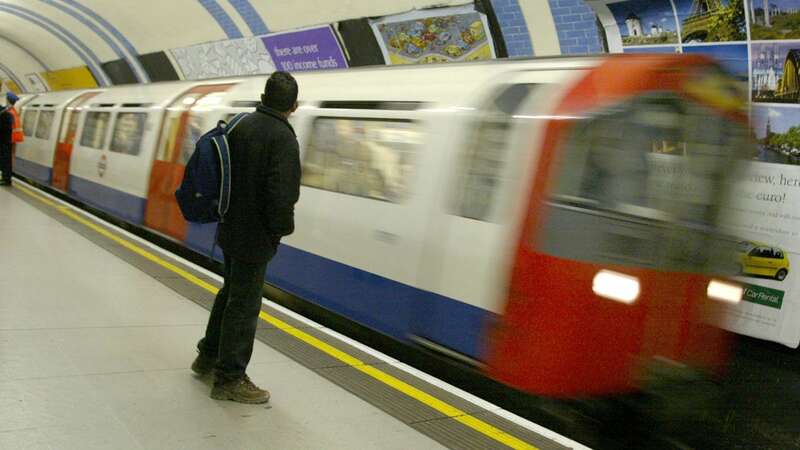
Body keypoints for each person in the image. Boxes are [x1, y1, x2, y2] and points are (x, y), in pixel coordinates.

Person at [191, 72, 301, 404]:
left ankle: (207, 356)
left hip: (228, 227)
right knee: (245, 304)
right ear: (293, 106)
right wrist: (281, 229)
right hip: (255, 236)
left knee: (230, 294)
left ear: (265, 97)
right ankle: (229, 379)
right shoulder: (282, 138)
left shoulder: (241, 125)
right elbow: (282, 194)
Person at [0, 92, 21, 186]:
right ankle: (5, 177)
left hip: (7, 139)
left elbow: (6, 127)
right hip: (10, 139)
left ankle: (6, 178)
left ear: (8, 100)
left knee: (6, 159)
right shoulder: (12, 111)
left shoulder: (8, 112)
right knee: (6, 159)